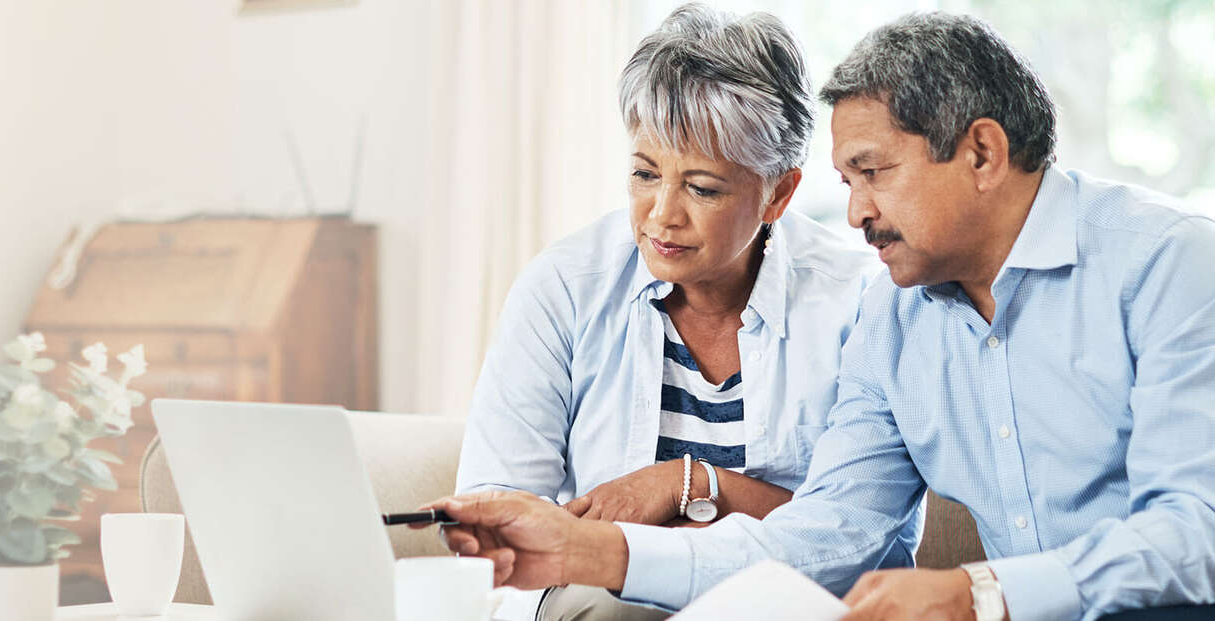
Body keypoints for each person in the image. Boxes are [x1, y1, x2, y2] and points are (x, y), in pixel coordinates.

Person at [422, 11, 1215, 621]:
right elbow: (833, 529)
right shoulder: (898, 314)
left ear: (981, 154)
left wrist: (978, 591)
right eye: (848, 178)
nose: (855, 212)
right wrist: (599, 548)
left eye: (873, 173)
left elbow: (1197, 533)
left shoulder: (1170, 263)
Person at [451, 5, 905, 619]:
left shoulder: (860, 301)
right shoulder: (564, 287)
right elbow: (498, 514)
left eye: (702, 187)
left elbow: (860, 536)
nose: (662, 214)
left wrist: (685, 483)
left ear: (777, 192)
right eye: (644, 174)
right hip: (609, 600)